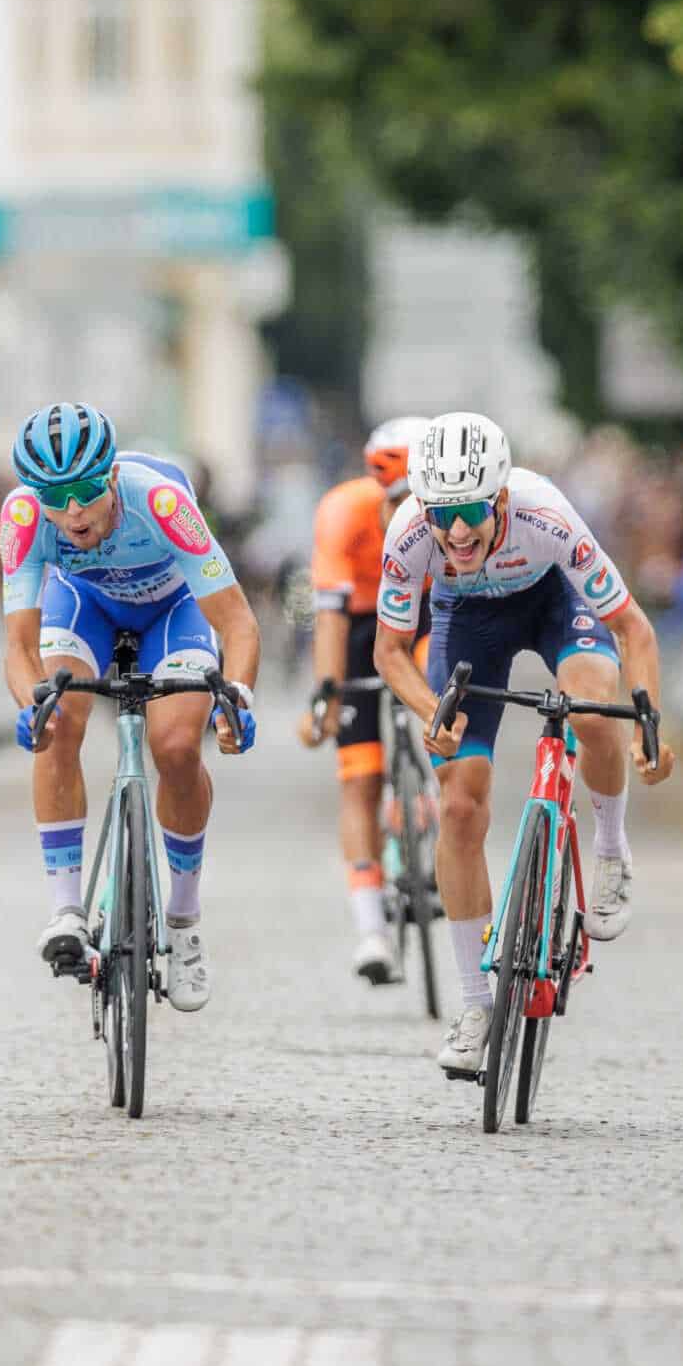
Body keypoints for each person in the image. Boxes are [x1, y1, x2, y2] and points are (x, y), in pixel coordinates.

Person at [369, 413, 674, 1078]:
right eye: (441, 512)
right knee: (457, 807)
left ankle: (610, 850)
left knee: (595, 711)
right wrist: (430, 711)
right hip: (467, 622)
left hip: (553, 602)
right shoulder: (410, 533)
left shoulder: (547, 514)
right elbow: (389, 651)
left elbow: (635, 631)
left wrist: (647, 721)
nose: (455, 531)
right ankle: (476, 1007)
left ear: (501, 496)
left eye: (472, 510)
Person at [0, 402, 260, 1008]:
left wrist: (238, 697)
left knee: (173, 746)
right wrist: (31, 701)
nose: (72, 513)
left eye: (86, 492)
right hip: (84, 605)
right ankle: (66, 911)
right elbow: (16, 645)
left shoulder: (161, 501)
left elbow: (240, 623)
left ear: (112, 477)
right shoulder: (21, 516)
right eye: (54, 497)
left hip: (175, 609)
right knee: (58, 720)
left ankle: (185, 921)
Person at [297, 416, 426, 986]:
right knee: (359, 778)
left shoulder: (446, 520)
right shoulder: (342, 513)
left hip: (423, 618)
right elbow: (327, 619)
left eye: (416, 502)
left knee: (445, 714)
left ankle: (425, 805)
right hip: (357, 623)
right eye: (394, 499)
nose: (406, 515)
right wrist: (326, 696)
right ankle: (372, 929)